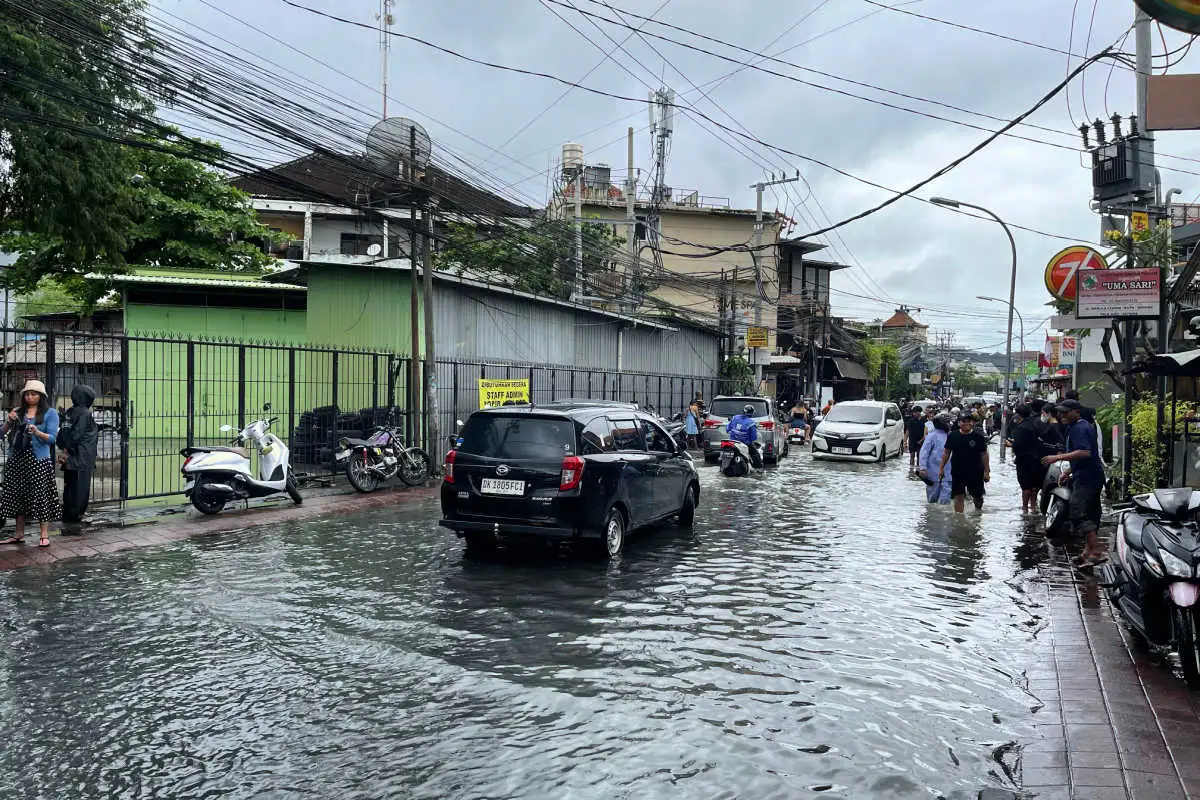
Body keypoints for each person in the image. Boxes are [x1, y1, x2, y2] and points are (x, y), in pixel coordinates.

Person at [1043, 399, 1107, 567]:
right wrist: (1068, 472)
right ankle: (1088, 553)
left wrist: (1057, 457)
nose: (1062, 415)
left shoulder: (1080, 427)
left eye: (1066, 412)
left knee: (1079, 512)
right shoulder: (1077, 426)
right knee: (1091, 513)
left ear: (1076, 412)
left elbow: (1085, 452)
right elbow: (1089, 454)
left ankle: (1096, 551)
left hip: (1088, 477)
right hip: (1088, 474)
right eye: (1061, 412)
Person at [0, 380, 61, 548]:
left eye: (33, 394)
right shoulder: (18, 412)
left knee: (40, 495)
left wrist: (37, 432)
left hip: (38, 461)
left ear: (41, 396)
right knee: (17, 495)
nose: (29, 396)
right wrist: (8, 421)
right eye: (27, 394)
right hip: (17, 459)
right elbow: (1, 434)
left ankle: (44, 534)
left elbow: (52, 439)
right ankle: (19, 534)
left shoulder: (50, 413)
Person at [57, 385, 99, 525]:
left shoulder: (70, 412)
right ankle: (76, 515)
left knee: (70, 486)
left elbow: (63, 434)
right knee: (80, 488)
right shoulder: (84, 413)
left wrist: (65, 449)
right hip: (82, 457)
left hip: (71, 457)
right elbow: (77, 435)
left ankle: (68, 514)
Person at [939, 413, 990, 513]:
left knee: (977, 497)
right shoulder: (952, 435)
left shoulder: (978, 436)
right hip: (958, 471)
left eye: (969, 421)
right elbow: (946, 452)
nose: (966, 423)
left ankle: (978, 513)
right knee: (958, 496)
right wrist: (941, 468)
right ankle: (959, 520)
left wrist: (987, 472)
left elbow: (984, 455)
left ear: (972, 423)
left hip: (975, 471)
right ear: (959, 423)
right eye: (964, 421)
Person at [1007, 404, 1044, 514]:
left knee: (1026, 486)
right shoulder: (1038, 424)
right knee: (1035, 485)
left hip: (1024, 460)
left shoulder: (1020, 428)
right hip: (1038, 459)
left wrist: (1010, 444)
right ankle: (1033, 506)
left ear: (1018, 414)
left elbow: (1018, 445)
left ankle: (1025, 508)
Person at [919, 413, 953, 504]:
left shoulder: (951, 436)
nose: (950, 424)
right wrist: (922, 468)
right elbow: (924, 452)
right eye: (947, 422)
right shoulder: (932, 436)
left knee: (946, 500)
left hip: (949, 472)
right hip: (933, 472)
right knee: (932, 499)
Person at [726, 403, 762, 468]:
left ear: (743, 411)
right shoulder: (751, 423)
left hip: (732, 442)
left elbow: (727, 429)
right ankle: (758, 469)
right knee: (755, 454)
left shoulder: (735, 417)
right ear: (752, 413)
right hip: (745, 444)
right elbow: (753, 437)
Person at [904, 406, 926, 472]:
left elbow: (926, 432)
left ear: (920, 412)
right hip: (912, 441)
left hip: (921, 441)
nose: (915, 414)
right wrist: (905, 441)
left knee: (919, 456)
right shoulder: (910, 421)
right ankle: (911, 471)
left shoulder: (924, 421)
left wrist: (922, 440)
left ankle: (918, 470)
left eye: (916, 412)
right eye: (914, 412)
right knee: (912, 456)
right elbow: (907, 431)